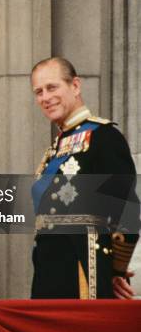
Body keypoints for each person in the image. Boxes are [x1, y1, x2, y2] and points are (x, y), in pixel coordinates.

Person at [31, 57, 139, 299]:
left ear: (75, 86)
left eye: (52, 87)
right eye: (38, 92)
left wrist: (115, 270)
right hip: (48, 269)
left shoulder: (104, 137)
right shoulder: (55, 148)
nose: (45, 97)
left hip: (84, 267)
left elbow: (127, 210)